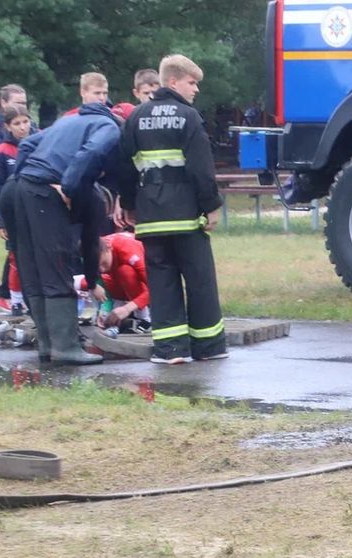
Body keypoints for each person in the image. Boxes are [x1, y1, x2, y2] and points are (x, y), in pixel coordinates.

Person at [119, 54, 227, 364]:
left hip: (151, 218)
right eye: (192, 83)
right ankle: (209, 348)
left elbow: (124, 167)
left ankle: (170, 350)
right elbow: (201, 169)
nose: (196, 90)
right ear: (173, 82)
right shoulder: (189, 117)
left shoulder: (135, 117)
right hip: (186, 217)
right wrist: (212, 207)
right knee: (200, 281)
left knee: (162, 283)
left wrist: (129, 206)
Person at [9, 93, 121, 364]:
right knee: (57, 266)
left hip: (21, 190)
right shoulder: (109, 128)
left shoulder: (67, 121)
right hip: (46, 192)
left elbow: (26, 146)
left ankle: (47, 345)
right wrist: (69, 189)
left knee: (34, 267)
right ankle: (66, 347)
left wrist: (18, 180)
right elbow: (92, 152)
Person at [0, 105, 34, 315]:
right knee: (16, 256)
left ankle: (33, 296)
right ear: (7, 126)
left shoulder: (39, 144)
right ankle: (14, 299)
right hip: (13, 212)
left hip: (36, 210)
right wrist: (1, 219)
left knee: (37, 255)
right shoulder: (1, 152)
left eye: (25, 122)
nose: (23, 127)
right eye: (17, 124)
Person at [96, 232, 151, 331]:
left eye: (103, 263)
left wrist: (128, 308)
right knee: (90, 282)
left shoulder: (127, 248)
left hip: (146, 280)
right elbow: (100, 285)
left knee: (125, 271)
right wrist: (105, 310)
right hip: (118, 281)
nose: (101, 269)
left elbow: (156, 287)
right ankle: (117, 311)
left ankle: (144, 318)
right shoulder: (93, 253)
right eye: (96, 266)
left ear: (109, 248)